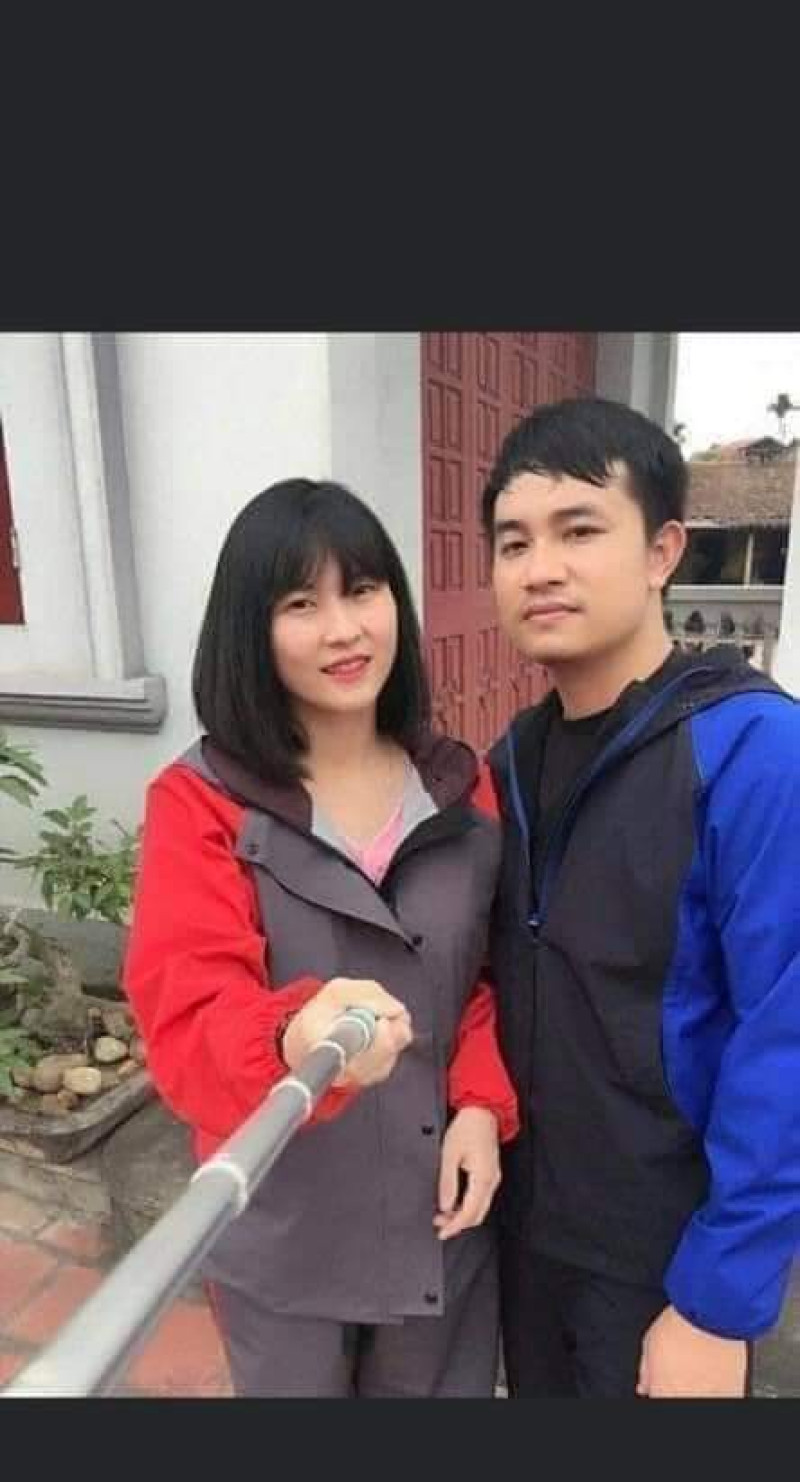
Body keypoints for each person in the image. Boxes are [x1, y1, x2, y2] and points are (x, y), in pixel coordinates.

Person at [123, 478, 518, 1397]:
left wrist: (479, 1107)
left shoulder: (461, 789)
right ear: (250, 630)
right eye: (302, 604)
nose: (343, 630)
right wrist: (291, 1035)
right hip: (284, 1236)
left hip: (440, 1222)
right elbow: (190, 1016)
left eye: (363, 590)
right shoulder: (202, 804)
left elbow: (483, 977)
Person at [482, 394, 800, 1397]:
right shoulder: (510, 760)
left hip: (664, 1256)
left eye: (579, 530)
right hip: (528, 1235)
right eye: (513, 541)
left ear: (662, 550)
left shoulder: (753, 751)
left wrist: (718, 1298)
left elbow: (785, 1034)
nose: (540, 567)